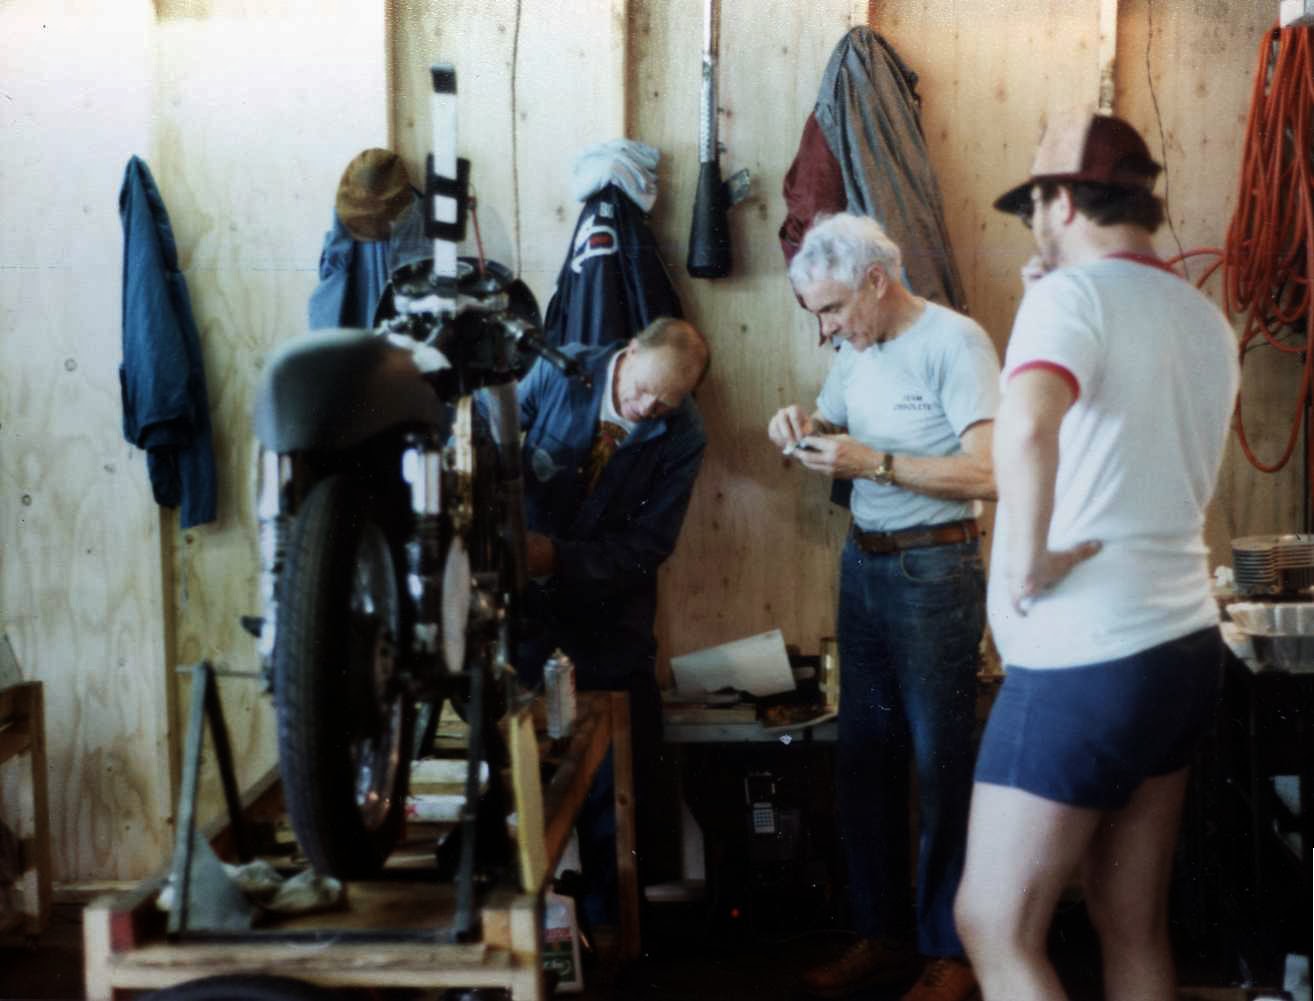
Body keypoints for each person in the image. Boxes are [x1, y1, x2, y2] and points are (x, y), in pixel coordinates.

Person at [953, 112, 1240, 1001]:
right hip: (1180, 643)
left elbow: (1026, 427)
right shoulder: (1202, 316)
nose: (1032, 226)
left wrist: (1028, 556)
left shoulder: (1068, 302)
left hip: (1084, 656)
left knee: (993, 922)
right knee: (1130, 917)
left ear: (1065, 202)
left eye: (1033, 207)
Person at [768, 213, 1000, 1001]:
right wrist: (804, 424)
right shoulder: (855, 348)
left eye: (833, 309)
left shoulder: (955, 343)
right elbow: (836, 422)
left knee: (942, 763)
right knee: (864, 758)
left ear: (876, 280)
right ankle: (883, 934)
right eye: (818, 315)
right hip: (864, 564)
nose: (828, 329)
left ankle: (953, 950)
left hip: (935, 568)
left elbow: (989, 473)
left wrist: (876, 463)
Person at [515, 315, 710, 919]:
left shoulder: (684, 432)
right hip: (520, 603)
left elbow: (649, 546)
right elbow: (494, 447)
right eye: (642, 390)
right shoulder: (560, 370)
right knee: (515, 766)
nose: (648, 408)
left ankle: (608, 926)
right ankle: (523, 925)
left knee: (614, 778)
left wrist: (560, 558)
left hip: (609, 609)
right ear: (626, 352)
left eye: (665, 402)